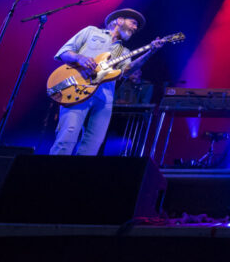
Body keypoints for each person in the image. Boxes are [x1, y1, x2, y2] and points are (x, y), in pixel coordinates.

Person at [49, 8, 163, 155]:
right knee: (67, 137)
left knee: (93, 144)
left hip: (105, 98)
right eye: (133, 23)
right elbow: (64, 52)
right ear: (119, 20)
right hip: (76, 89)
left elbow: (127, 72)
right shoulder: (91, 32)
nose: (135, 28)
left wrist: (151, 51)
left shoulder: (125, 52)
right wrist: (80, 58)